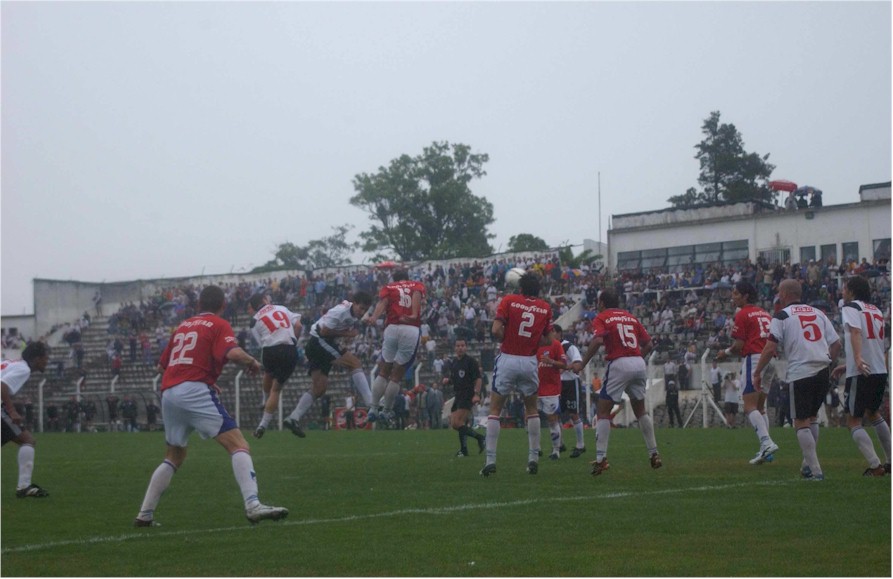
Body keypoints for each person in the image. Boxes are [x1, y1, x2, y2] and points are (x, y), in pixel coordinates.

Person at [134, 285, 287, 527]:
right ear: (222, 306)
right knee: (238, 445)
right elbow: (233, 354)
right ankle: (253, 505)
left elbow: (161, 367)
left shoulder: (181, 327)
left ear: (197, 305)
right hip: (193, 391)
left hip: (169, 392)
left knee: (174, 455)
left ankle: (145, 514)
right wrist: (252, 362)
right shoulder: (218, 324)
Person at [753, 279, 840, 481]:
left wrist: (758, 372)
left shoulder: (782, 315)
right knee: (812, 418)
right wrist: (828, 362)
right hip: (822, 370)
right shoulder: (818, 313)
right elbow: (837, 344)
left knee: (800, 422)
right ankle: (807, 466)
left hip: (801, 371)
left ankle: (816, 472)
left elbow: (770, 347)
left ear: (784, 294)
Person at [580, 289, 661, 476]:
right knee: (640, 410)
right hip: (638, 363)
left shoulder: (602, 317)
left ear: (601, 303)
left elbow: (598, 340)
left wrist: (583, 363)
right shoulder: (631, 317)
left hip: (619, 363)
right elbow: (648, 344)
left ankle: (601, 459)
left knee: (602, 411)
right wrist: (635, 359)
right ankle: (654, 453)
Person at [481, 272, 553, 477]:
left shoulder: (510, 300)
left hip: (508, 359)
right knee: (531, 409)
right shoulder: (544, 307)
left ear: (520, 288)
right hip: (529, 361)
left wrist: (510, 336)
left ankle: (490, 460)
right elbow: (548, 340)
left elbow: (495, 330)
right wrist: (530, 340)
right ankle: (533, 458)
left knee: (495, 409)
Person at [283, 292, 373, 437]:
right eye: (361, 308)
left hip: (317, 344)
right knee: (355, 363)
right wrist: (347, 334)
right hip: (319, 341)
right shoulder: (340, 312)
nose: (362, 313)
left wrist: (368, 319)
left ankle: (293, 417)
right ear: (354, 303)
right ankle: (371, 403)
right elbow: (324, 331)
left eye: (365, 310)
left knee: (319, 389)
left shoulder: (351, 310)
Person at [830, 275, 891, 476]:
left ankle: (875, 466)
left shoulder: (851, 308)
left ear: (852, 290)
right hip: (879, 369)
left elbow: (856, 332)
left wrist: (855, 359)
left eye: (845, 288)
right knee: (874, 414)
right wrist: (847, 365)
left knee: (853, 420)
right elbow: (874, 343)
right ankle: (890, 461)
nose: (843, 291)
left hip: (861, 371)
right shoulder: (875, 310)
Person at [715, 281, 779, 464]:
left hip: (755, 358)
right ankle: (765, 450)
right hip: (771, 358)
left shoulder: (742, 314)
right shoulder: (765, 313)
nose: (732, 297)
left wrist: (724, 353)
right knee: (760, 407)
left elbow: (739, 346)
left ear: (745, 296)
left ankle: (766, 443)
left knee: (749, 406)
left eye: (736, 294)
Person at [364, 270, 427, 424]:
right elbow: (417, 295)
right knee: (396, 376)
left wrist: (374, 318)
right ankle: (386, 411)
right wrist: (412, 314)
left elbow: (383, 303)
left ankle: (373, 408)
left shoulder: (389, 287)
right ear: (407, 278)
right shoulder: (417, 285)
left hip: (392, 328)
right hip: (410, 328)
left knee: (383, 371)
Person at [247, 292, 303, 438]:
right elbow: (298, 325)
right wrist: (294, 342)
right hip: (288, 349)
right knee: (276, 389)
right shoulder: (281, 308)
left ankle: (264, 401)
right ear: (265, 299)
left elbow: (260, 343)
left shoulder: (253, 320)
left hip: (269, 350)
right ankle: (262, 425)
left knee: (268, 374)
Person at [1, 342, 51, 498]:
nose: (46, 361)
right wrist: (12, 411)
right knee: (27, 440)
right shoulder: (24, 369)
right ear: (36, 359)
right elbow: (2, 386)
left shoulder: (11, 363)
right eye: (45, 357)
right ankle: (24, 487)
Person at [444, 339, 485, 457]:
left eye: (462, 345)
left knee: (457, 422)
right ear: (455, 348)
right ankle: (464, 449)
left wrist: (476, 394)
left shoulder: (470, 362)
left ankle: (480, 438)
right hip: (458, 395)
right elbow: (455, 379)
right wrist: (448, 381)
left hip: (467, 395)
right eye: (458, 346)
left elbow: (478, 378)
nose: (460, 348)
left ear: (466, 347)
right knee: (455, 423)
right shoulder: (454, 363)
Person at [537, 325, 569, 460]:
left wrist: (551, 361)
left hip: (551, 388)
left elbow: (564, 364)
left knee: (552, 419)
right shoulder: (535, 344)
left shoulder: (556, 345)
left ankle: (556, 450)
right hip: (535, 387)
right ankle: (535, 448)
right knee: (530, 417)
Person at [558, 331, 587, 457]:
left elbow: (577, 363)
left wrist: (562, 367)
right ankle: (559, 444)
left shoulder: (568, 346)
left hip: (570, 383)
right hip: (557, 384)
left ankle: (580, 445)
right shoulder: (551, 346)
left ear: (559, 334)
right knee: (555, 414)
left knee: (573, 414)